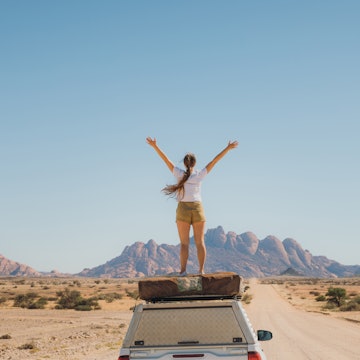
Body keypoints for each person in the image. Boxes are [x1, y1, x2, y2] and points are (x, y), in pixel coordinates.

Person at [146, 137, 238, 276]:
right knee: (200, 242)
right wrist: (228, 148)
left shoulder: (178, 173)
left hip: (182, 208)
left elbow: (166, 160)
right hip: (197, 208)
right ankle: (201, 270)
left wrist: (155, 146)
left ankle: (183, 271)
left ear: (184, 163)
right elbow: (214, 161)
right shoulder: (200, 174)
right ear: (195, 163)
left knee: (184, 244)